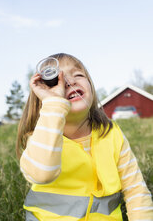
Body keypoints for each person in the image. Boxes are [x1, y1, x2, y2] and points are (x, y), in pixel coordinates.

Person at [17, 53, 153, 221]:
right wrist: (53, 105)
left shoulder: (112, 134)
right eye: (57, 80)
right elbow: (42, 174)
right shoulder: (40, 139)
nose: (69, 82)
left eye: (78, 75)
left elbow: (136, 190)